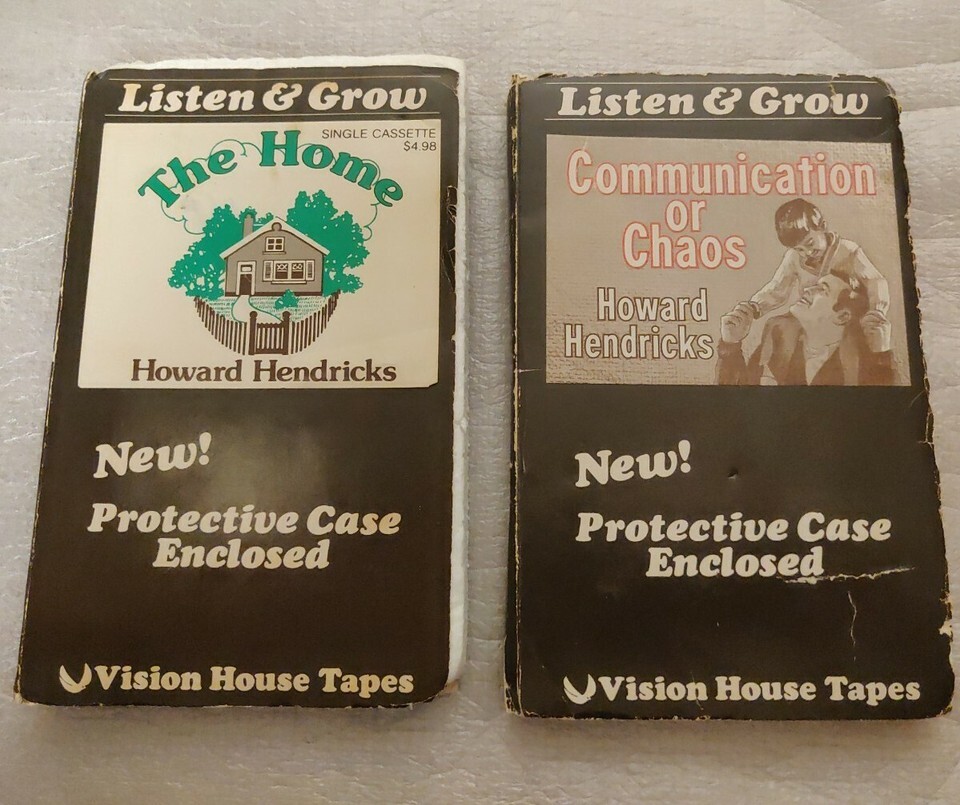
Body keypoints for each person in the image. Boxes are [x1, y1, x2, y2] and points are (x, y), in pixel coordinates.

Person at [717, 270, 894, 386]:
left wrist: (881, 357)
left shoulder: (862, 362)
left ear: (842, 316)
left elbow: (881, 416)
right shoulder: (778, 341)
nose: (807, 290)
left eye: (822, 289)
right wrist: (731, 345)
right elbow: (735, 403)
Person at [745, 199, 890, 322]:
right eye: (799, 249)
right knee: (778, 326)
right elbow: (777, 288)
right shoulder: (794, 258)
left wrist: (876, 311)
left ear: (823, 227)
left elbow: (875, 281)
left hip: (844, 320)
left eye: (810, 244)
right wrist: (754, 307)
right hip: (813, 320)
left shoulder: (848, 251)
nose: (807, 253)